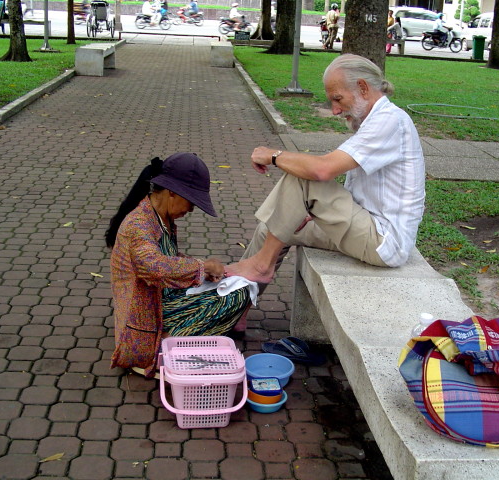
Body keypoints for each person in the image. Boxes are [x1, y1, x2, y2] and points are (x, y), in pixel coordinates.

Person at [226, 54, 425, 293]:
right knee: (272, 228)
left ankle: (260, 266)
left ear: (362, 87)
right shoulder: (374, 121)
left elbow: (322, 170)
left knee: (303, 178)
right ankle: (236, 311)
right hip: (366, 227)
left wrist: (273, 155)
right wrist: (316, 211)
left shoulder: (390, 120)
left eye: (337, 99)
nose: (335, 111)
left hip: (383, 241)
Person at [106, 153, 252, 378]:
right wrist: (201, 267)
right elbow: (153, 267)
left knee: (239, 292)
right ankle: (159, 350)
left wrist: (203, 272)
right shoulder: (139, 224)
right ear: (172, 191)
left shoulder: (161, 217)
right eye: (191, 202)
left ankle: (172, 339)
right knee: (235, 298)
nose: (191, 209)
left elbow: (168, 258)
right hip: (145, 316)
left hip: (162, 299)